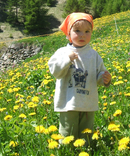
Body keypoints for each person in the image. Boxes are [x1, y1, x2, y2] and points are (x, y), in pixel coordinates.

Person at [48, 12, 111, 143]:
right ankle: (67, 152)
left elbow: (99, 75)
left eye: (87, 31)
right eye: (77, 30)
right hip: (68, 104)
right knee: (67, 134)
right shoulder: (62, 53)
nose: (82, 35)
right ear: (68, 34)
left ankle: (85, 150)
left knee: (86, 135)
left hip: (88, 103)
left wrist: (104, 78)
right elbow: (55, 71)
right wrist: (67, 59)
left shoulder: (94, 55)